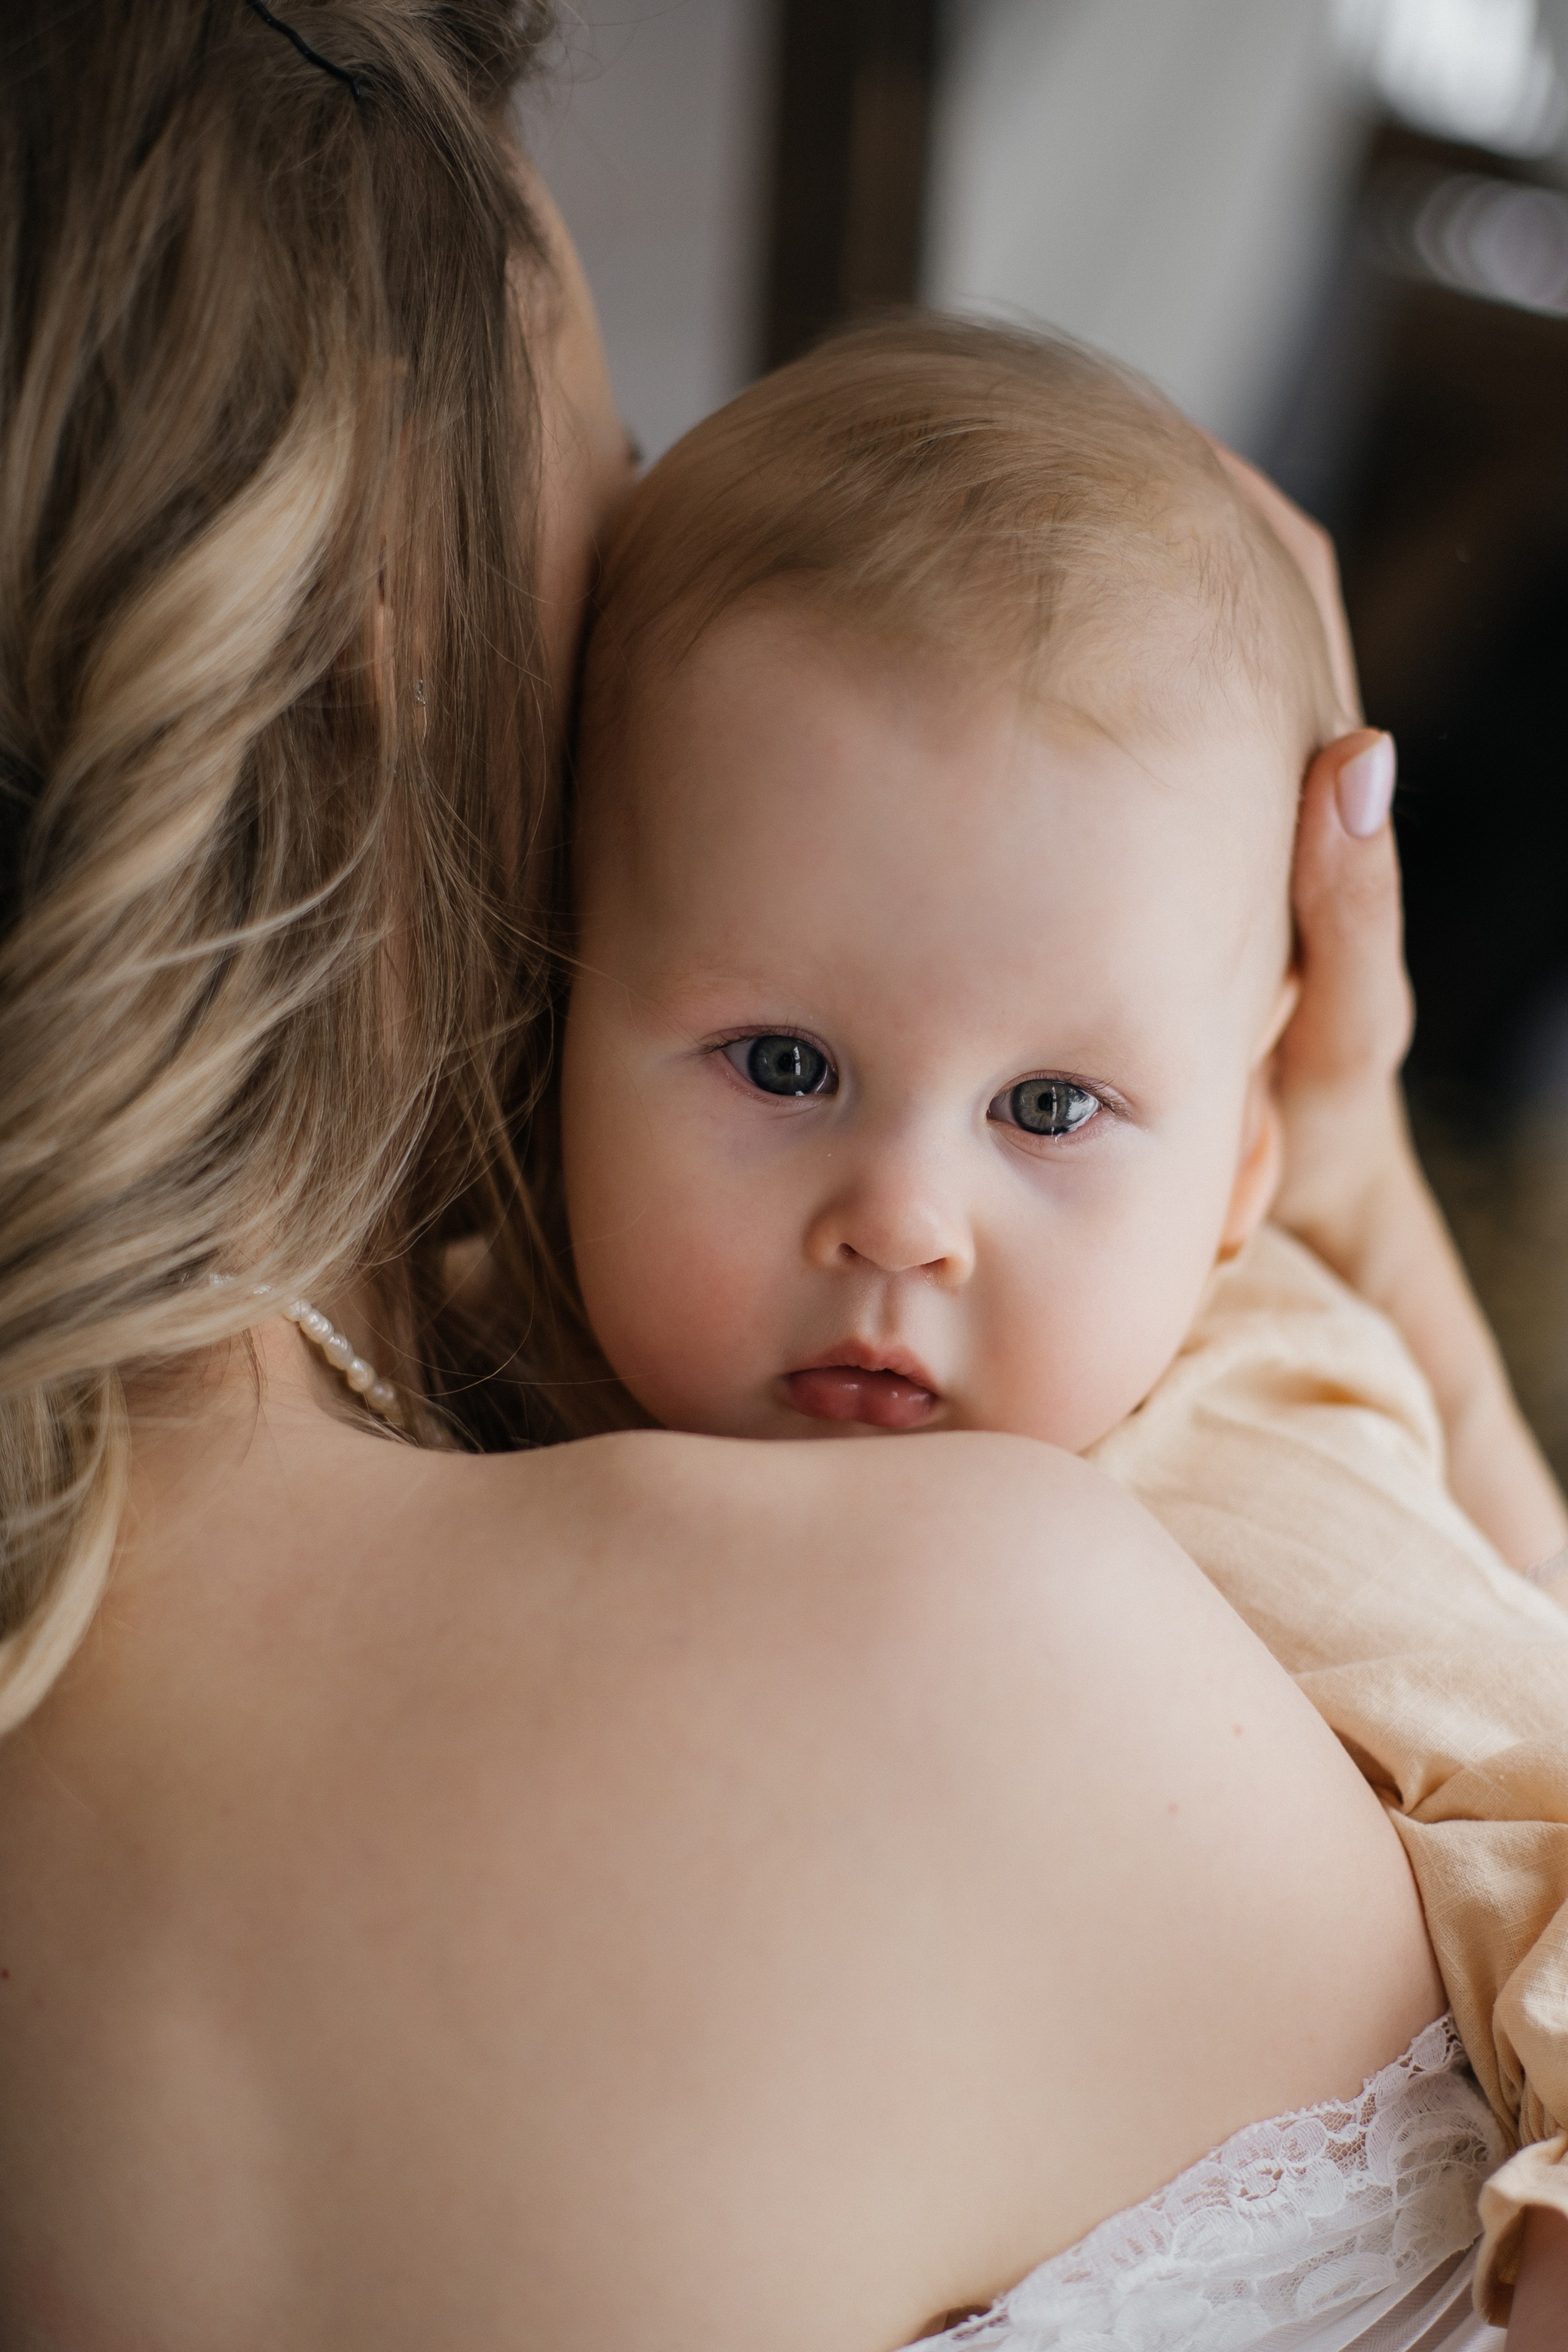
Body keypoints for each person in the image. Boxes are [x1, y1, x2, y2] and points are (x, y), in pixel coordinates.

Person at [0, 6, 1561, 2347]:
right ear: (382, 657)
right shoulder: (963, 1641)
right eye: (614, 472)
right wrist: (1346, 1201)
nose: (909, 1217)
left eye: (1052, 1105)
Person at [556, 316, 1568, 2337]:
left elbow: (1543, 1781)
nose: (905, 1219)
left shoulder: (1242, 1446)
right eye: (780, 1059)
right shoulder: (503, 1355)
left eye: (1047, 1112)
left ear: (1247, 1167)